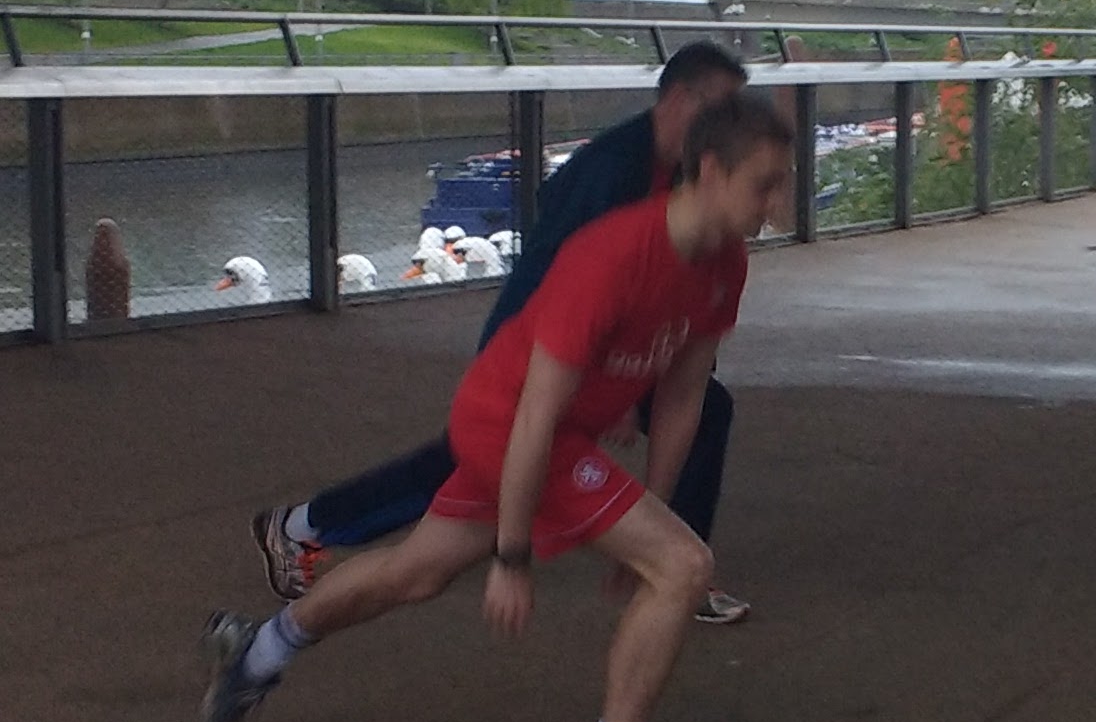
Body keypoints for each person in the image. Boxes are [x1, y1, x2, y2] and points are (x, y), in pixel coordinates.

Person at [201, 90, 801, 722]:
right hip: (515, 424)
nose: (777, 201)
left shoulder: (723, 266)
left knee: (415, 572)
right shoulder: (614, 255)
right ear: (711, 171)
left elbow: (684, 394)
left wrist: (654, 509)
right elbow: (533, 412)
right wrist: (513, 554)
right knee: (684, 568)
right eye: (765, 183)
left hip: (555, 435)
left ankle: (254, 654)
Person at [254, 40, 757, 625]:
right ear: (680, 100)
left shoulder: (665, 166)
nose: (732, 129)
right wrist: (617, 389)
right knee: (481, 456)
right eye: (724, 112)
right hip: (546, 339)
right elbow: (576, 272)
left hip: (591, 344)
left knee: (698, 412)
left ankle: (677, 564)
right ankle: (307, 524)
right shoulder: (616, 169)